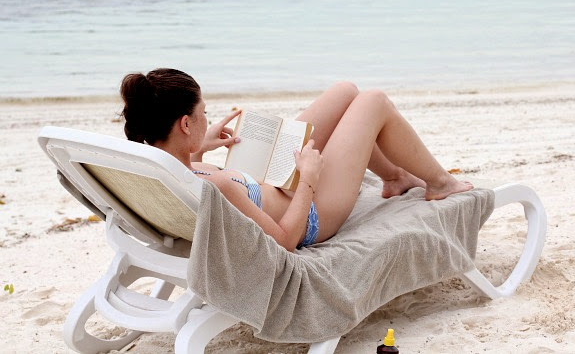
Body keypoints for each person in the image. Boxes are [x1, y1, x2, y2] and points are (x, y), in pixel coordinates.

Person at [120, 68, 473, 252]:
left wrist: (198, 149)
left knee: (346, 91)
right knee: (373, 101)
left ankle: (395, 176)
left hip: (269, 180)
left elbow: (192, 178)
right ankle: (440, 183)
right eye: (203, 115)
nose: (207, 120)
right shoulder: (220, 186)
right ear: (185, 124)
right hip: (315, 210)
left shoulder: (165, 170)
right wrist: (307, 177)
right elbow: (285, 240)